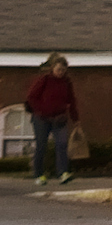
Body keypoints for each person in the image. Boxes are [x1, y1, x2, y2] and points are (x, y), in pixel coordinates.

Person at [22, 54, 78, 189]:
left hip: (59, 119)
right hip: (41, 119)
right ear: (52, 68)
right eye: (58, 69)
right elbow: (31, 97)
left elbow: (71, 100)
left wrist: (75, 118)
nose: (60, 72)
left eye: (63, 70)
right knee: (41, 145)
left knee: (62, 144)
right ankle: (39, 174)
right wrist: (42, 111)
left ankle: (63, 173)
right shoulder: (44, 80)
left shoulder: (66, 82)